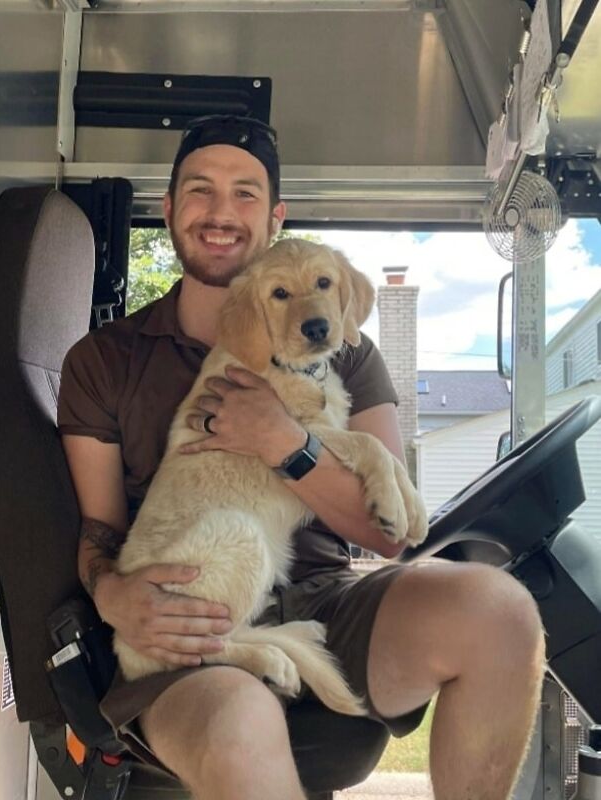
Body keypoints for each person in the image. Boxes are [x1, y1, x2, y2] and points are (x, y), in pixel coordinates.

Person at [57, 115, 545, 800]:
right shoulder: (105, 361)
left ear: (275, 216)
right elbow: (99, 530)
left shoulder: (347, 351)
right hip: (185, 620)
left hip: (324, 595)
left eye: (246, 194)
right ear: (168, 211)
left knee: (502, 609)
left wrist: (287, 443)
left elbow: (391, 534)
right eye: (200, 191)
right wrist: (113, 597)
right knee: (241, 719)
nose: (222, 212)